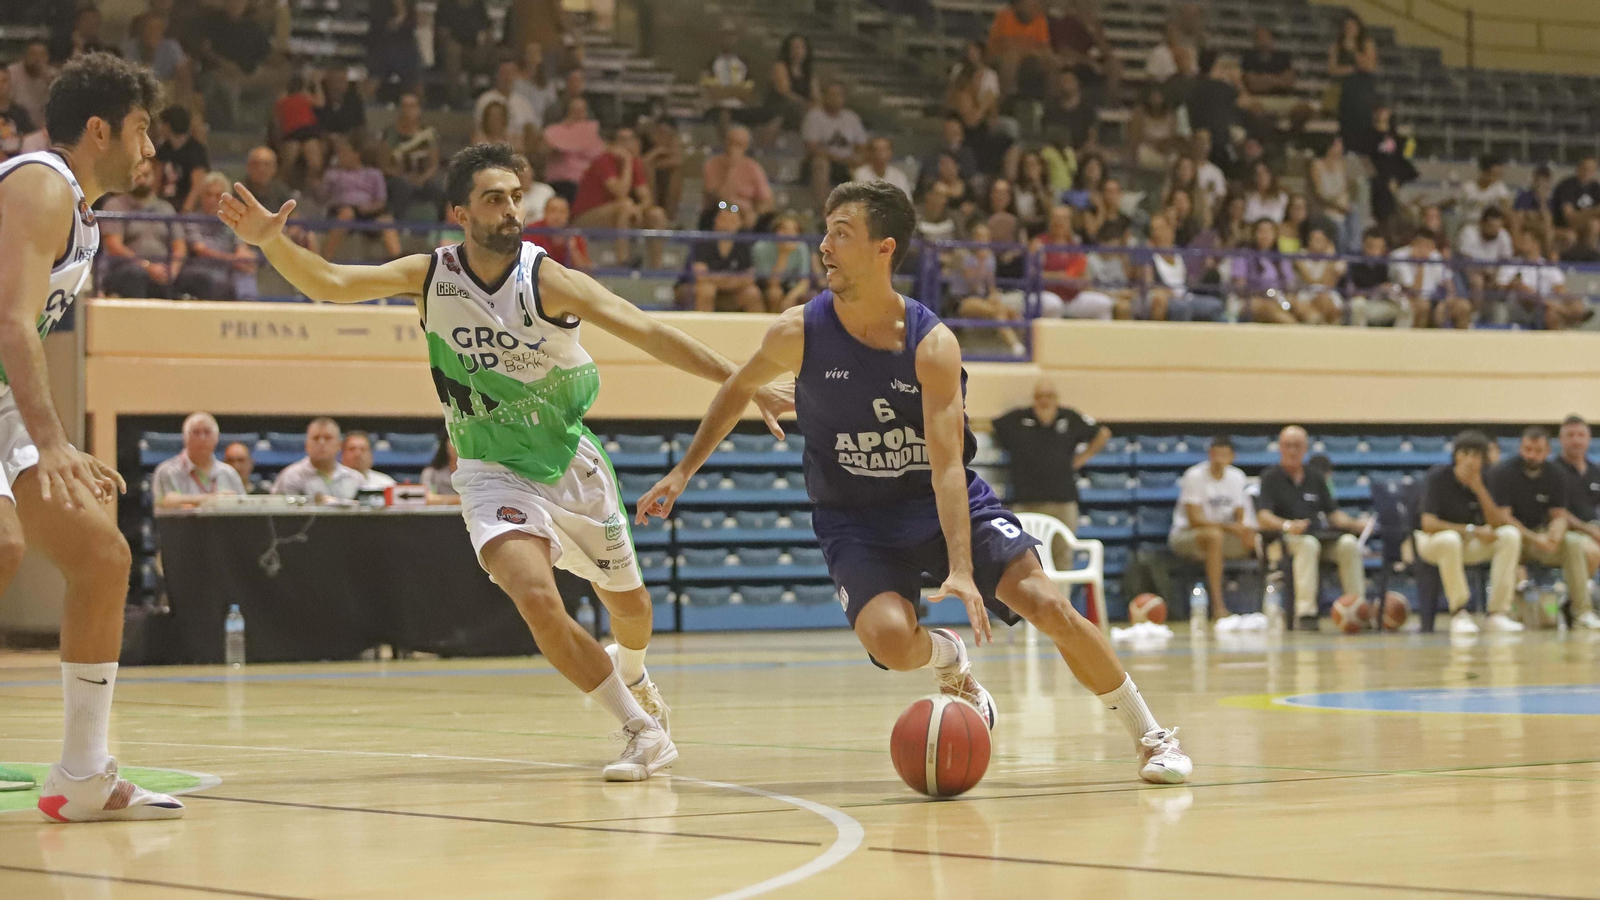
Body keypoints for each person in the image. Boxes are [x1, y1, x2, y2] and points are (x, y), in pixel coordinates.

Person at [218, 141, 792, 781]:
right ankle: (641, 729)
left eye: (516, 197)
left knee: (632, 610)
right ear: (460, 213)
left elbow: (651, 332)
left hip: (568, 464)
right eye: (495, 199)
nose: (511, 209)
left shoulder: (548, 279)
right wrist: (271, 243)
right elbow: (330, 282)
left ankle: (632, 670)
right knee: (537, 599)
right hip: (490, 472)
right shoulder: (430, 276)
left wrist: (747, 384)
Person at [636, 180, 1191, 785]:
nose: (824, 246)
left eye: (841, 233)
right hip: (854, 518)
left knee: (1047, 604)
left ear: (884, 248)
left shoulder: (932, 346)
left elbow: (948, 466)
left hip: (935, 500)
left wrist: (961, 566)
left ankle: (1150, 736)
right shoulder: (798, 332)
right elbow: (738, 387)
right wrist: (683, 471)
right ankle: (949, 656)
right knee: (892, 644)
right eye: (826, 232)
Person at [0, 52, 185, 821]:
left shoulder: (81, 214)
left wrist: (52, 440)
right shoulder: (39, 183)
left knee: (103, 558)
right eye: (142, 129)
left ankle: (82, 778)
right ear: (101, 129)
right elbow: (11, 322)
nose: (152, 148)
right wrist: (50, 441)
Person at [1256, 426, 1367, 630]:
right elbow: (1263, 516)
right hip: (1283, 542)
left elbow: (1333, 514)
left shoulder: (1315, 476)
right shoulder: (1270, 477)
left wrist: (1355, 523)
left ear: (1305, 448)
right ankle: (1306, 612)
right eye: (1288, 445)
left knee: (1348, 544)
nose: (1292, 451)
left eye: (1297, 446)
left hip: (1319, 539)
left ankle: (1358, 608)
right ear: (1280, 448)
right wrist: (1288, 525)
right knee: (1307, 545)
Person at [1488, 426, 1598, 631]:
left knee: (1573, 543)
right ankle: (1500, 613)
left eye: (1537, 451)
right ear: (1520, 448)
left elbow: (1559, 514)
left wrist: (1556, 532)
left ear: (1547, 451)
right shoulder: (1503, 472)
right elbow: (1504, 517)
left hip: (1540, 537)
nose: (1531, 455)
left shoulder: (1557, 474)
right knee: (1511, 538)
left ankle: (1582, 612)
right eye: (1527, 449)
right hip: (1511, 538)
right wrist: (1535, 538)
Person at [1414, 430, 1521, 635]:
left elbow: (1496, 523)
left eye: (1476, 455)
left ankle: (1498, 613)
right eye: (1465, 454)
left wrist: (1479, 489)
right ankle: (1459, 612)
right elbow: (1428, 524)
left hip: (1467, 543)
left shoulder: (1488, 478)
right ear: (1455, 456)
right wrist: (1471, 530)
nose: (1470, 460)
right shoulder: (1438, 476)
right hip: (1432, 542)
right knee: (1450, 539)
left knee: (1509, 536)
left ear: (1484, 459)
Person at [990, 380, 1109, 538]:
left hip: (1063, 502)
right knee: (1023, 550)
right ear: (1034, 399)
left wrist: (1083, 458)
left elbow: (1103, 434)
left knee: (1063, 550)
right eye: (1040, 396)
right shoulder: (1018, 419)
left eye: (1049, 396)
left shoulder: (1069, 418)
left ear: (1056, 398)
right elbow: (989, 425)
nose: (1044, 401)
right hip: (1026, 503)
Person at [1168, 435, 1255, 624]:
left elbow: (1240, 516)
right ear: (1209, 455)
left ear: (1232, 457)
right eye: (1216, 455)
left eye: (1224, 455)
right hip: (1186, 535)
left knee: (1255, 538)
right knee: (1214, 537)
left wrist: (1245, 533)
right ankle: (1218, 605)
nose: (1219, 460)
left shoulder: (1237, 477)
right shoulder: (1194, 476)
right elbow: (1195, 520)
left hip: (1224, 536)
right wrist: (1229, 527)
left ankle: (1261, 605)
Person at [572, 125, 669, 268]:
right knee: (625, 205)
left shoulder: (635, 162)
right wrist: (627, 162)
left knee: (657, 214)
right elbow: (620, 193)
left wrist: (638, 208)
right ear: (615, 144)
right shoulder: (604, 160)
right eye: (623, 140)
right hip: (587, 216)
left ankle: (657, 268)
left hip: (619, 215)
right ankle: (623, 261)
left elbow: (646, 198)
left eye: (631, 139)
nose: (628, 144)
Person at [100, 159, 185, 299]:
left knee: (198, 277)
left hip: (163, 270)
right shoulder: (114, 205)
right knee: (135, 274)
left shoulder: (166, 208)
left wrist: (173, 269)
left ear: (154, 177)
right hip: (125, 269)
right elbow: (114, 246)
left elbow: (179, 244)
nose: (142, 180)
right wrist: (148, 267)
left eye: (146, 175)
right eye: (138, 176)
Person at [177, 172, 258, 300]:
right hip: (200, 268)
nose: (212, 200)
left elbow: (241, 247)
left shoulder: (233, 221)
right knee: (216, 279)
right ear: (201, 197)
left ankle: (249, 307)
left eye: (217, 196)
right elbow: (201, 250)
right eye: (208, 194)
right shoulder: (191, 220)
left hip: (228, 268)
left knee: (246, 275)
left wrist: (244, 257)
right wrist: (233, 260)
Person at [1553, 415, 1600, 630]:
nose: (1576, 440)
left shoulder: (1595, 471)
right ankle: (1578, 604)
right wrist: (1590, 531)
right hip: (1566, 531)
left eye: (1581, 435)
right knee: (1592, 551)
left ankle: (1569, 599)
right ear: (1561, 439)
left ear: (1588, 439)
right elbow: (1556, 512)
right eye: (1570, 435)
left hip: (1593, 529)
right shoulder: (1552, 470)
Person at [321, 135, 401, 261]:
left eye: (345, 153)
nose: (341, 157)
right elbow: (322, 197)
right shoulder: (333, 174)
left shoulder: (374, 174)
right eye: (339, 154)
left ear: (356, 155)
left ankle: (399, 261)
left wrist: (369, 209)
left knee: (386, 220)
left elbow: (381, 201)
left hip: (368, 211)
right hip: (341, 210)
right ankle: (326, 260)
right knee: (346, 213)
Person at [152, 412, 245, 507]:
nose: (202, 438)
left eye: (207, 432)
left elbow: (243, 509)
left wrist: (186, 501)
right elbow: (166, 504)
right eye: (196, 432)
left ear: (217, 437)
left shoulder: (229, 473)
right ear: (185, 437)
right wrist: (215, 498)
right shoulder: (167, 472)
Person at [801, 83, 868, 212]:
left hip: (847, 164)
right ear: (824, 96)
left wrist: (856, 158)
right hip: (821, 164)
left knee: (865, 161)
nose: (836, 98)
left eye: (839, 95)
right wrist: (840, 159)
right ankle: (823, 209)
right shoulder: (814, 116)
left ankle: (864, 210)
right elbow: (812, 148)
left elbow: (862, 145)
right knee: (820, 163)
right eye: (832, 94)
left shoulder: (851, 117)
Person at [1498, 229, 1583, 330]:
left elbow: (1561, 289)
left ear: (1536, 243)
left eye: (1525, 239)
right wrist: (1512, 284)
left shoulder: (1548, 266)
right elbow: (1500, 288)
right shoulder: (1511, 264)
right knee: (1522, 288)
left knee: (1573, 304)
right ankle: (1562, 311)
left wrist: (1572, 301)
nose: (1520, 243)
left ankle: (1568, 314)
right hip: (1521, 307)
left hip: (1545, 308)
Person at [685, 202, 761, 313]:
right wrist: (732, 280)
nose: (727, 225)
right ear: (716, 221)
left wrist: (721, 281)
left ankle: (759, 324)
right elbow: (701, 276)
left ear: (739, 223)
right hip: (697, 289)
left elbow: (749, 277)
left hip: (731, 291)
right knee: (707, 290)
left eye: (732, 221)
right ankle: (701, 323)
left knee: (752, 293)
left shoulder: (743, 244)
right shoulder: (703, 242)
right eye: (724, 219)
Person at [271, 417, 365, 501]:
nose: (321, 443)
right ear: (307, 445)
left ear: (339, 445)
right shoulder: (291, 476)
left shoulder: (355, 479)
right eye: (316, 438)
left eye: (328, 438)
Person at [701, 125, 773, 230]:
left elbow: (767, 200)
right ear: (725, 142)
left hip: (747, 212)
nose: (733, 148)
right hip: (721, 208)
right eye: (731, 142)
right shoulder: (712, 164)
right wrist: (732, 169)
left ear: (746, 146)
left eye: (739, 144)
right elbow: (717, 198)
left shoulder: (753, 167)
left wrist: (755, 214)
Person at [154, 104, 207, 212]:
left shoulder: (196, 150)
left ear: (168, 126)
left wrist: (186, 210)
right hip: (163, 205)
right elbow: (156, 180)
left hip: (185, 207)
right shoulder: (163, 149)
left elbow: (197, 185)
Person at [525, 194, 590, 270]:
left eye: (562, 211)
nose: (557, 216)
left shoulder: (574, 234)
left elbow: (586, 270)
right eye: (553, 210)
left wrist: (573, 250)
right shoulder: (532, 231)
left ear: (568, 214)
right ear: (545, 212)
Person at [852, 136, 913, 201]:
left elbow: (907, 202)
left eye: (885, 150)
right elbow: (858, 201)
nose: (881, 153)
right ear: (870, 153)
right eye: (877, 150)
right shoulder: (860, 174)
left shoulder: (899, 176)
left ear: (890, 153)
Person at [1551, 155, 1600, 234]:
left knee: (1595, 223)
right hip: (1565, 225)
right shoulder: (1567, 185)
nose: (1588, 172)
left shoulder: (1596, 187)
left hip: (1588, 220)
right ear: (1578, 168)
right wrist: (1593, 212)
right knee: (1594, 225)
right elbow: (1569, 216)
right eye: (1586, 168)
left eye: (1592, 169)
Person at [1241, 25, 1294, 96]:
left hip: (1281, 97)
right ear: (1256, 40)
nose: (1264, 41)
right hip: (1255, 98)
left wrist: (1263, 79)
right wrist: (1277, 80)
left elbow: (1288, 83)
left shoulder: (1283, 57)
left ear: (1271, 39)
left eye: (1266, 37)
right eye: (1260, 38)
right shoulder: (1249, 58)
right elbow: (1252, 85)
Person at [421, 438, 460, 503]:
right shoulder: (431, 472)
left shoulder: (474, 472)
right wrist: (458, 500)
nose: (458, 447)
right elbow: (426, 498)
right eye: (454, 442)